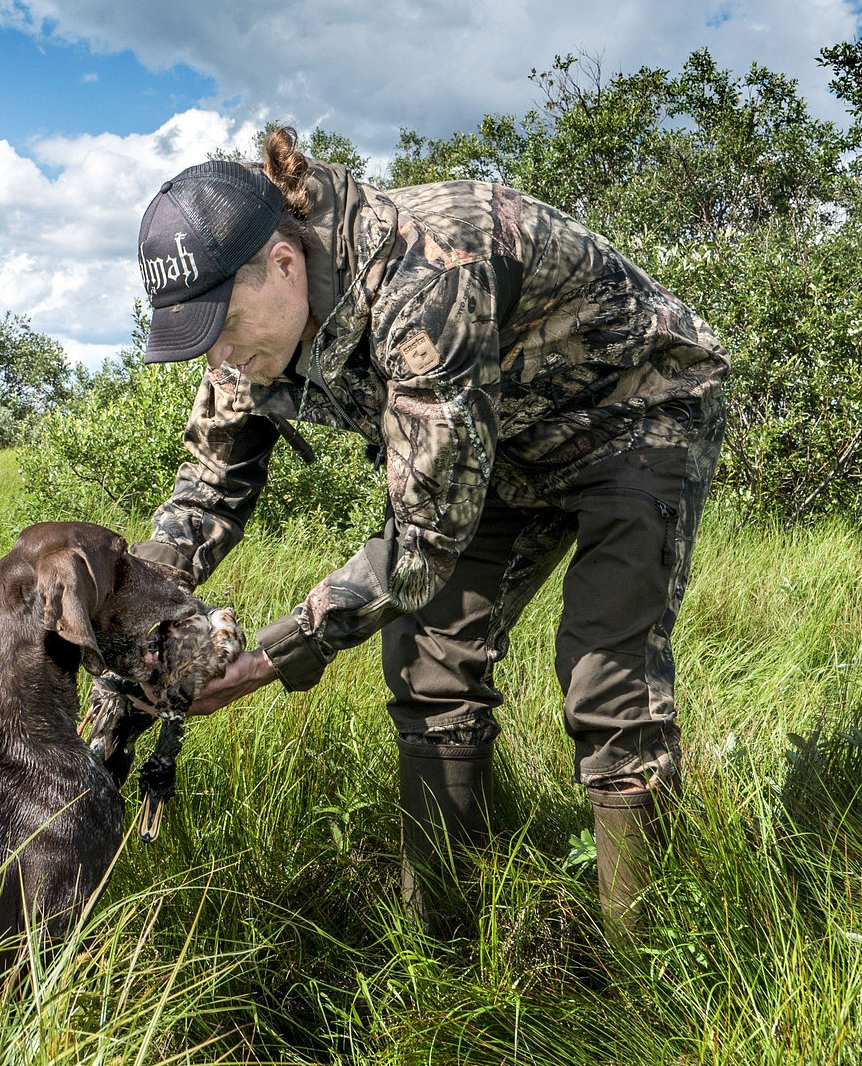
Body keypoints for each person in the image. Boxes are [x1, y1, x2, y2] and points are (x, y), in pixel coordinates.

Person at [126, 128, 726, 930]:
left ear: (282, 263)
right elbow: (207, 488)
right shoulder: (242, 345)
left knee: (604, 677)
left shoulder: (429, 269)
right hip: (494, 446)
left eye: (225, 327)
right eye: (202, 338)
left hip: (635, 417)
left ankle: (648, 967)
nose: (223, 359)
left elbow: (422, 542)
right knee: (427, 660)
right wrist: (132, 616)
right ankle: (443, 943)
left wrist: (267, 658)